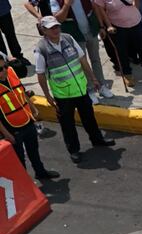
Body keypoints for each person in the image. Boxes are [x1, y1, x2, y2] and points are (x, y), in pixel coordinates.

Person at [35, 15, 115, 162]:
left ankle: (97, 140)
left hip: (81, 89)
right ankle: (74, 150)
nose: (55, 30)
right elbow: (40, 75)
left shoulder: (68, 39)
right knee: (68, 125)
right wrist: (47, 96)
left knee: (89, 118)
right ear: (44, 31)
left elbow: (82, 59)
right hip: (63, 95)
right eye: (51, 28)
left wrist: (93, 78)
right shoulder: (41, 49)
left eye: (57, 26)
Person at [0, 53, 58, 180]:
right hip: (12, 129)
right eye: (0, 69)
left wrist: (34, 109)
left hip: (27, 120)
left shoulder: (11, 73)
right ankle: (24, 183)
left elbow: (21, 92)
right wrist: (7, 135)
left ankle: (40, 172)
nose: (4, 70)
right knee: (19, 158)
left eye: (4, 66)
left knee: (34, 151)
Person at [44, 0, 113, 98]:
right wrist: (67, 5)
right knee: (82, 63)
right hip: (75, 35)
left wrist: (101, 27)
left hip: (91, 31)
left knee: (96, 59)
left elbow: (95, 7)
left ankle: (102, 85)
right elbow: (59, 19)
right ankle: (90, 90)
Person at [92, 0, 142, 88]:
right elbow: (100, 10)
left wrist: (135, 10)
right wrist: (108, 25)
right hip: (117, 26)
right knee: (121, 51)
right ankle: (127, 74)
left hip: (136, 22)